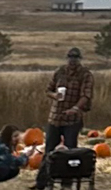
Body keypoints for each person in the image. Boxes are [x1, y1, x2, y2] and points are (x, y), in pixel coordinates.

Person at [34, 45, 93, 182]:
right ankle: (42, 181)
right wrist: (55, 95)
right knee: (49, 150)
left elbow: (86, 95)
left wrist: (76, 108)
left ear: (79, 59)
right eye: (70, 57)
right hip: (55, 116)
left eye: (75, 58)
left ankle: (67, 181)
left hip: (72, 118)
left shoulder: (85, 75)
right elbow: (48, 90)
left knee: (70, 151)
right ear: (67, 58)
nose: (72, 61)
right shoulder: (60, 72)